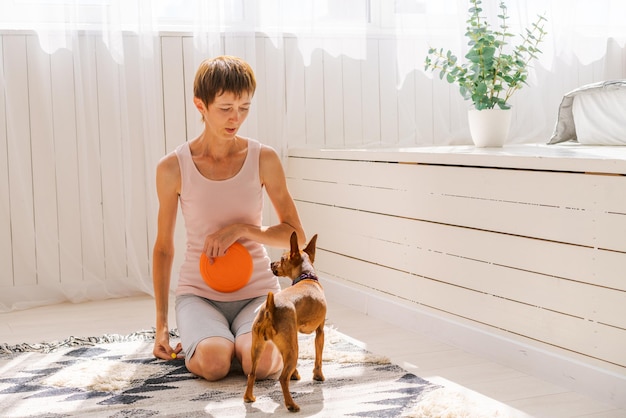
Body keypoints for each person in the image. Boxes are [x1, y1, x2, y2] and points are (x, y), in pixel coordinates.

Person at [151, 55, 306, 381]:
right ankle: (219, 344)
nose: (236, 117)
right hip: (200, 294)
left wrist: (240, 229)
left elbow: (296, 236)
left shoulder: (263, 158)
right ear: (200, 105)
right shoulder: (172, 167)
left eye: (245, 107)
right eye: (225, 108)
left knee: (260, 364)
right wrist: (161, 326)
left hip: (257, 292)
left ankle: (249, 347)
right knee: (214, 363)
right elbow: (164, 248)